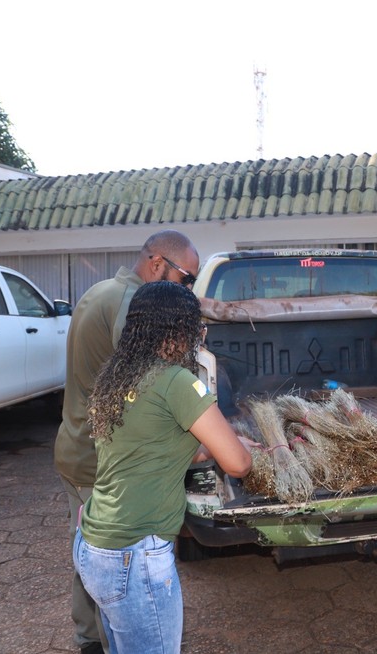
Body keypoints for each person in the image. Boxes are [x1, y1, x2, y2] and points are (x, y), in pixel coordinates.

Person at [73, 281, 252, 654]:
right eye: (196, 328)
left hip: (94, 545)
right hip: (134, 557)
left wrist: (211, 449)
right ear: (178, 331)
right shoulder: (177, 382)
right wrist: (233, 447)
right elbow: (239, 464)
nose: (198, 338)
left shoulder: (116, 375)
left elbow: (155, 449)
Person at [54, 229, 200, 654]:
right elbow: (147, 388)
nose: (188, 289)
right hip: (98, 460)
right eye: (186, 278)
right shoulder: (133, 307)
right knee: (115, 567)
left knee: (89, 553)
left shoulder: (102, 290)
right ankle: (103, 643)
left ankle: (90, 640)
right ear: (157, 264)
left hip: (75, 444)